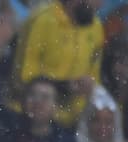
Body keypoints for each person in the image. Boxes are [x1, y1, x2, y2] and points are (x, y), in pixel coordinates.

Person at [10, 0, 106, 128]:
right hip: (29, 119)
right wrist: (64, 86)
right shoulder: (42, 20)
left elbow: (94, 77)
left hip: (71, 124)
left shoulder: (96, 26)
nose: (100, 5)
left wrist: (89, 88)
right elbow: (24, 77)